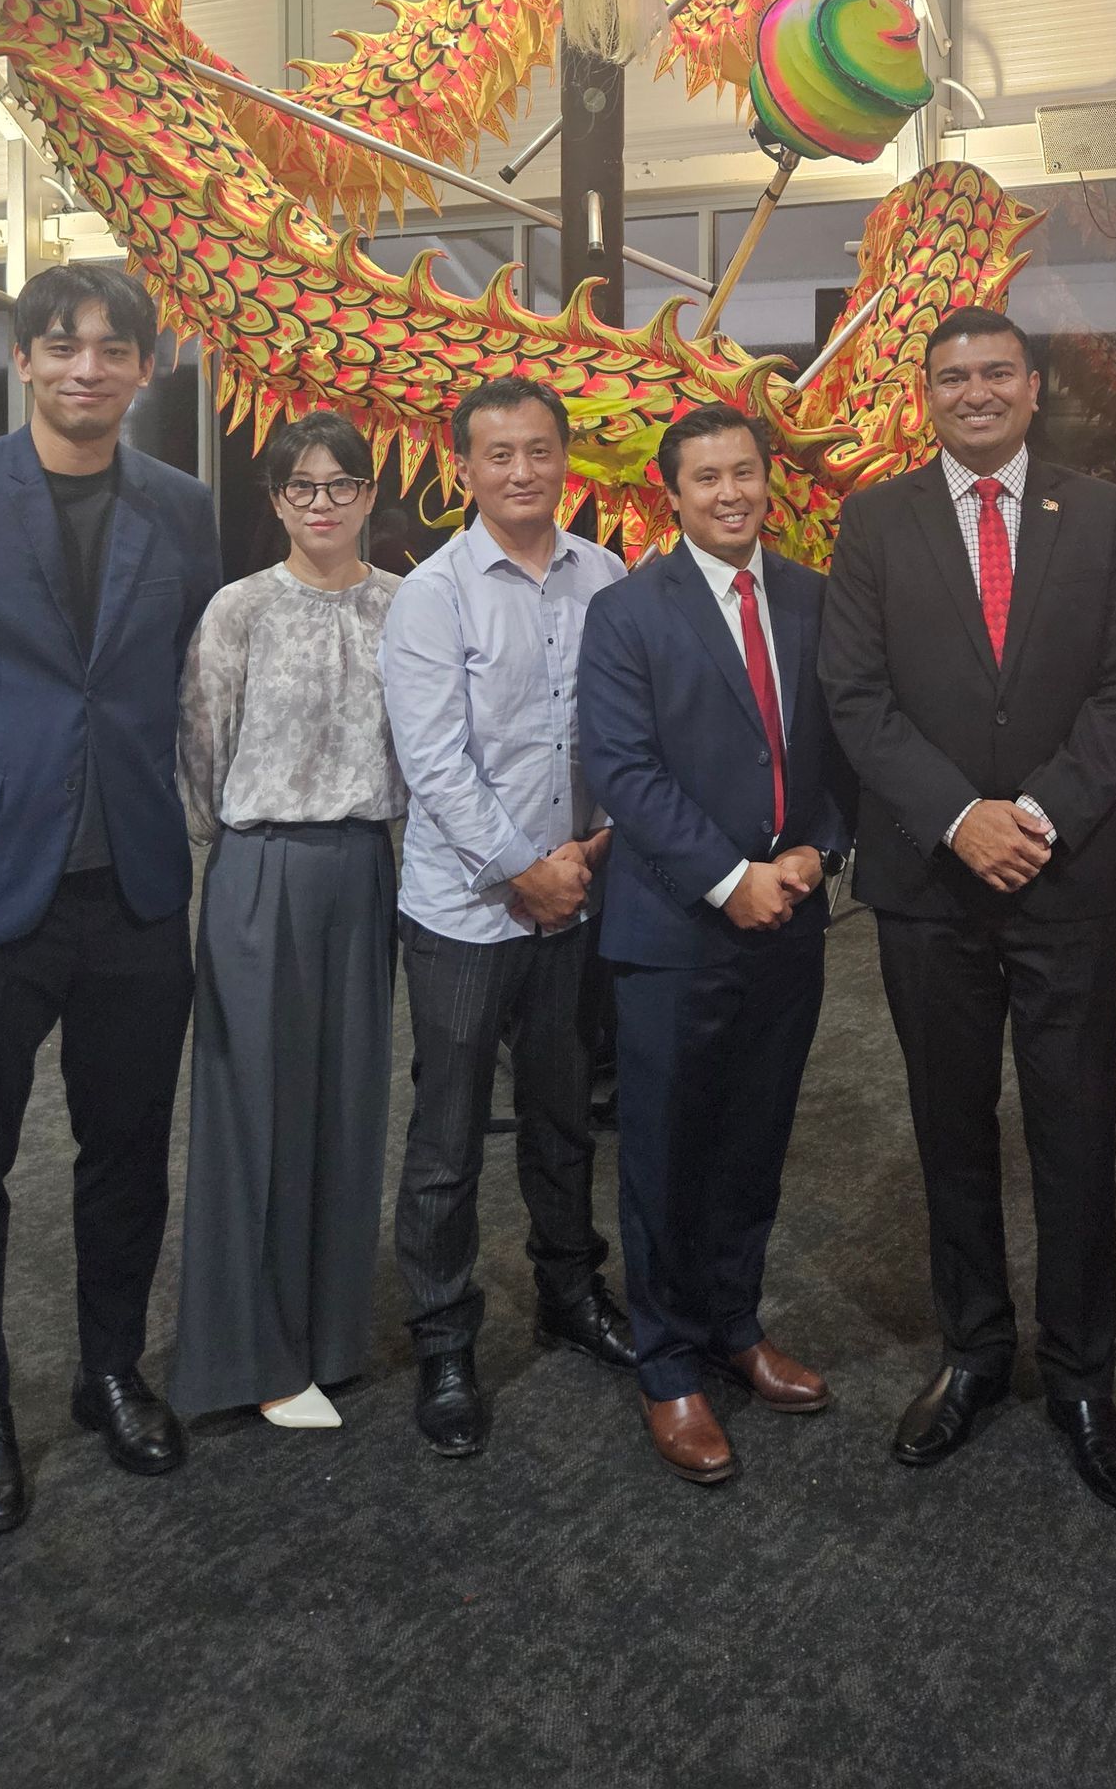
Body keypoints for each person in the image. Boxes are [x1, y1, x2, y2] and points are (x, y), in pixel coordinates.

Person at [0, 264, 219, 1535]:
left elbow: (180, 676)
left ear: (143, 368)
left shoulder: (181, 509)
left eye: (111, 349)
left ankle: (109, 1370)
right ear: (24, 361)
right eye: (62, 346)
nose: (86, 368)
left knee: (128, 1153)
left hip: (130, 883)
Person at [819, 306, 1116, 1511]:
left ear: (1033, 388)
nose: (975, 392)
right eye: (952, 376)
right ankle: (973, 1352)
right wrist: (960, 816)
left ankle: (1080, 1376)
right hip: (927, 884)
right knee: (950, 1128)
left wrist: (1045, 816)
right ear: (927, 394)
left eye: (995, 373)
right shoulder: (873, 520)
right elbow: (852, 698)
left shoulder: (1103, 513)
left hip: (1064, 881)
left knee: (1077, 1131)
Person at [577, 404, 854, 1484]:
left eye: (745, 472)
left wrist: (816, 854)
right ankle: (668, 1364)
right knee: (664, 1151)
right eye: (708, 478)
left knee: (754, 1138)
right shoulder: (628, 611)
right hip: (677, 930)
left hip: (791, 921)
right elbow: (624, 770)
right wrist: (731, 876)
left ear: (766, 479)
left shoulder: (811, 596)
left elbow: (838, 751)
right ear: (672, 492)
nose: (730, 492)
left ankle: (736, 1325)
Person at [378, 376, 632, 1458]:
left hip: (577, 896)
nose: (521, 471)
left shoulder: (607, 575)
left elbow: (625, 725)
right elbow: (432, 759)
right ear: (464, 469)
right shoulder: (431, 594)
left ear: (564, 458)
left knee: (565, 1113)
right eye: (498, 454)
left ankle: (571, 1292)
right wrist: (525, 867)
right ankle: (443, 1339)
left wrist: (595, 845)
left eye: (538, 450)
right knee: (446, 1138)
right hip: (466, 912)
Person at [169, 413, 404, 1429]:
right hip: (259, 867)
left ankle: (330, 1336)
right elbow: (200, 751)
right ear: (274, 501)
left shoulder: (405, 604)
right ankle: (250, 1355)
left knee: (350, 1106)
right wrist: (235, 849)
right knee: (253, 1109)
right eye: (300, 487)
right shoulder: (239, 609)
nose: (321, 502)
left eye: (340, 484)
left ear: (366, 495)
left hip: (366, 868)